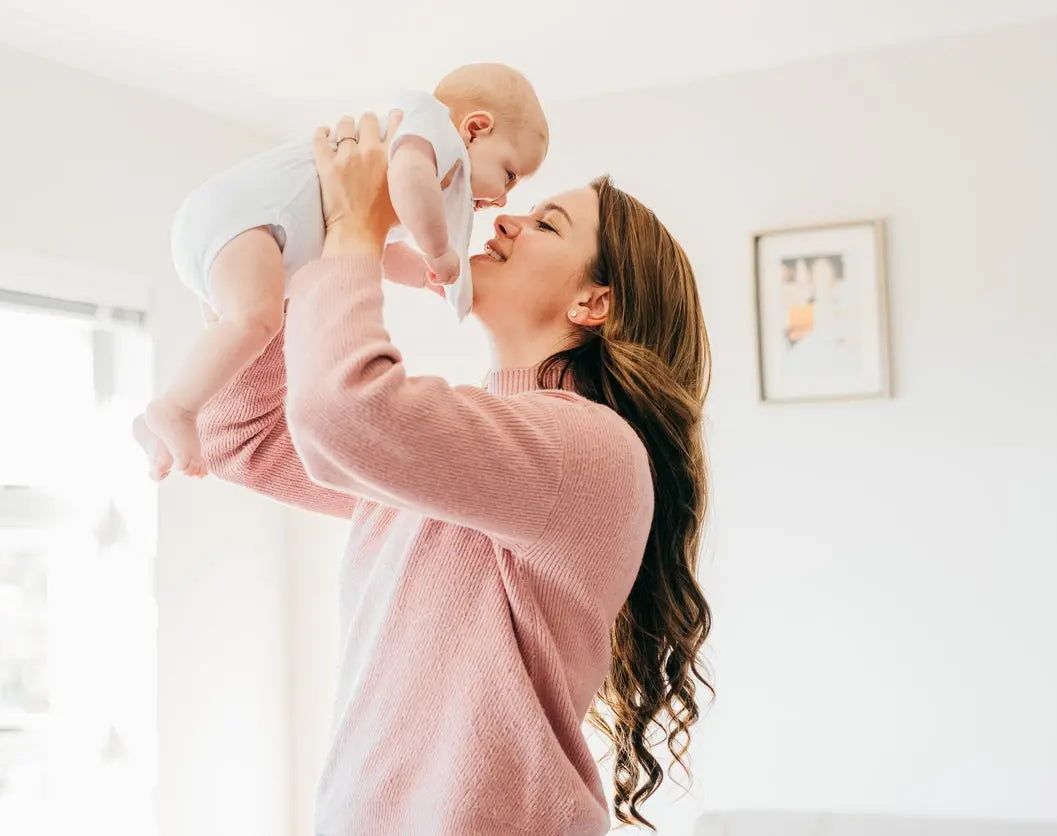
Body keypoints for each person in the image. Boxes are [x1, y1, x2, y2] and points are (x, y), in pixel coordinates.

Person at [192, 111, 713, 835]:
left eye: (547, 225)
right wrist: (283, 260)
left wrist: (353, 231)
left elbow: (344, 412)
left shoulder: (592, 450)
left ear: (593, 303)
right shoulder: (465, 454)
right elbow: (240, 435)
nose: (503, 223)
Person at [133, 64, 549, 478]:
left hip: (237, 229)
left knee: (230, 344)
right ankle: (176, 409)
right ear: (475, 129)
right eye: (509, 175)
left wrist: (423, 274)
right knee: (256, 321)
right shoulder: (432, 133)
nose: (502, 201)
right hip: (248, 219)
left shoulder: (409, 165)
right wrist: (439, 251)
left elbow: (372, 249)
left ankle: (161, 418)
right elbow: (409, 178)